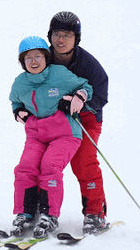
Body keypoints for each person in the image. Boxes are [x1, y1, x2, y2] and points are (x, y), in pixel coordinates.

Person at [9, 36, 93, 239]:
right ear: (23, 62)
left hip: (64, 133)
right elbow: (15, 102)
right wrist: (19, 112)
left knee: (50, 167)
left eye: (38, 56)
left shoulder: (59, 75)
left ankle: (49, 215)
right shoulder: (20, 83)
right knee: (25, 167)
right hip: (37, 134)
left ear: (46, 57)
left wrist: (78, 97)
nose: (34, 61)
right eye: (28, 58)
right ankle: (25, 213)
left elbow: (86, 87)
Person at [47, 11, 110, 234]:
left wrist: (80, 103)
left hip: (86, 120)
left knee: (84, 161)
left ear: (76, 39)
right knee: (44, 163)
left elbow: (101, 95)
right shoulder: (43, 59)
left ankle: (95, 213)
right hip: (55, 121)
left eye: (67, 35)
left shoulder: (89, 65)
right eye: (56, 34)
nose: (60, 40)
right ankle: (41, 211)